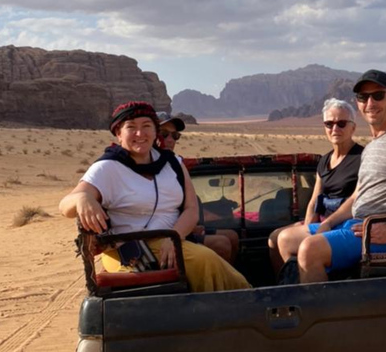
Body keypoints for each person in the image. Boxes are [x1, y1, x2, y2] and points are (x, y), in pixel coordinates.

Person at [59, 101, 250, 292]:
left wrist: (173, 238)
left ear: (154, 131)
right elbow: (66, 205)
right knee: (204, 260)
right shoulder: (108, 167)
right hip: (127, 248)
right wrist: (82, 199)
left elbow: (191, 210)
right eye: (131, 127)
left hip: (174, 240)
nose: (140, 134)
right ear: (119, 133)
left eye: (146, 126)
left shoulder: (172, 163)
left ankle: (240, 305)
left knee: (209, 261)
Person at [296, 70, 386, 283]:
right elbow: (356, 196)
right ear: (358, 104)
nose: (370, 103)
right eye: (363, 97)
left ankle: (320, 315)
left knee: (310, 249)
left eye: (378, 96)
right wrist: (328, 223)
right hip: (356, 227)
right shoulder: (372, 146)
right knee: (283, 239)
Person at [268, 98, 363, 273]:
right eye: (329, 124)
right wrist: (307, 225)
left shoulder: (362, 158)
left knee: (285, 239)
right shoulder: (324, 161)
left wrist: (324, 225)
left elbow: (356, 199)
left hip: (345, 223)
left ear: (353, 127)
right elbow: (314, 201)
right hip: (324, 222)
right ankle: (286, 284)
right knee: (273, 238)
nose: (335, 129)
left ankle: (299, 288)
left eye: (341, 123)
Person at [157, 111, 240, 264]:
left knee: (232, 236)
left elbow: (190, 205)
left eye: (175, 136)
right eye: (164, 134)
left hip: (183, 228)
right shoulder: (149, 168)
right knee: (222, 243)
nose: (170, 140)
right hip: (168, 234)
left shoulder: (176, 164)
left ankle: (228, 277)